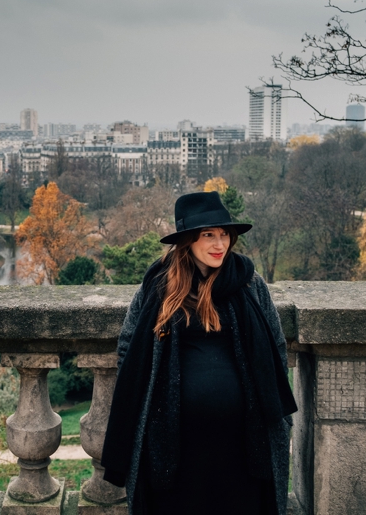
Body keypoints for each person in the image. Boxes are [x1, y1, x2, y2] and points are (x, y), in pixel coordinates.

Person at [101, 191, 297, 515]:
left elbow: (275, 345)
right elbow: (128, 346)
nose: (220, 244)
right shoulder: (158, 286)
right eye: (209, 235)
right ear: (188, 240)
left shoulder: (249, 283)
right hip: (175, 443)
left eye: (224, 235)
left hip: (242, 443)